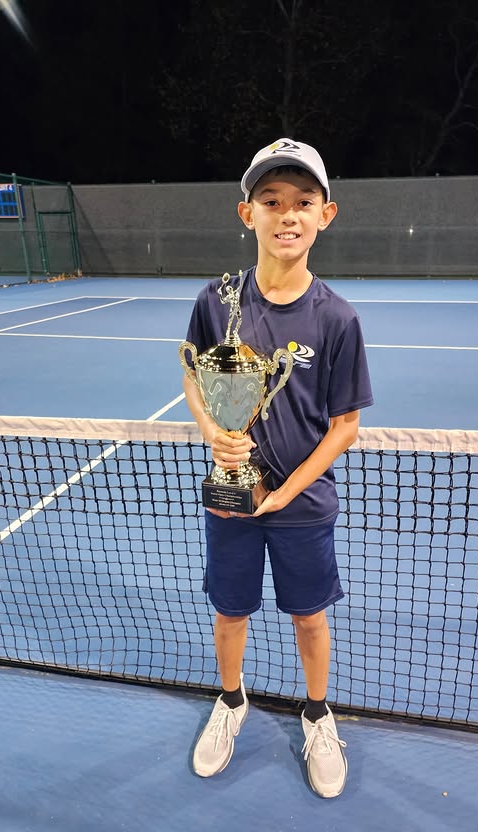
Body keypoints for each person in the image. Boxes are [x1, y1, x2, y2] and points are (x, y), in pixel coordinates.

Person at [182, 138, 373, 798]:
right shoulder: (217, 300)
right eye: (271, 200)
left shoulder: (337, 318)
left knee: (309, 617)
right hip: (231, 496)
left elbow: (345, 426)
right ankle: (230, 700)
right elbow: (193, 372)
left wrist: (287, 490)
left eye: (303, 201)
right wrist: (212, 431)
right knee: (230, 612)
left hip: (302, 503)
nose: (287, 213)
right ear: (247, 214)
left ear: (326, 214)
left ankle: (317, 715)